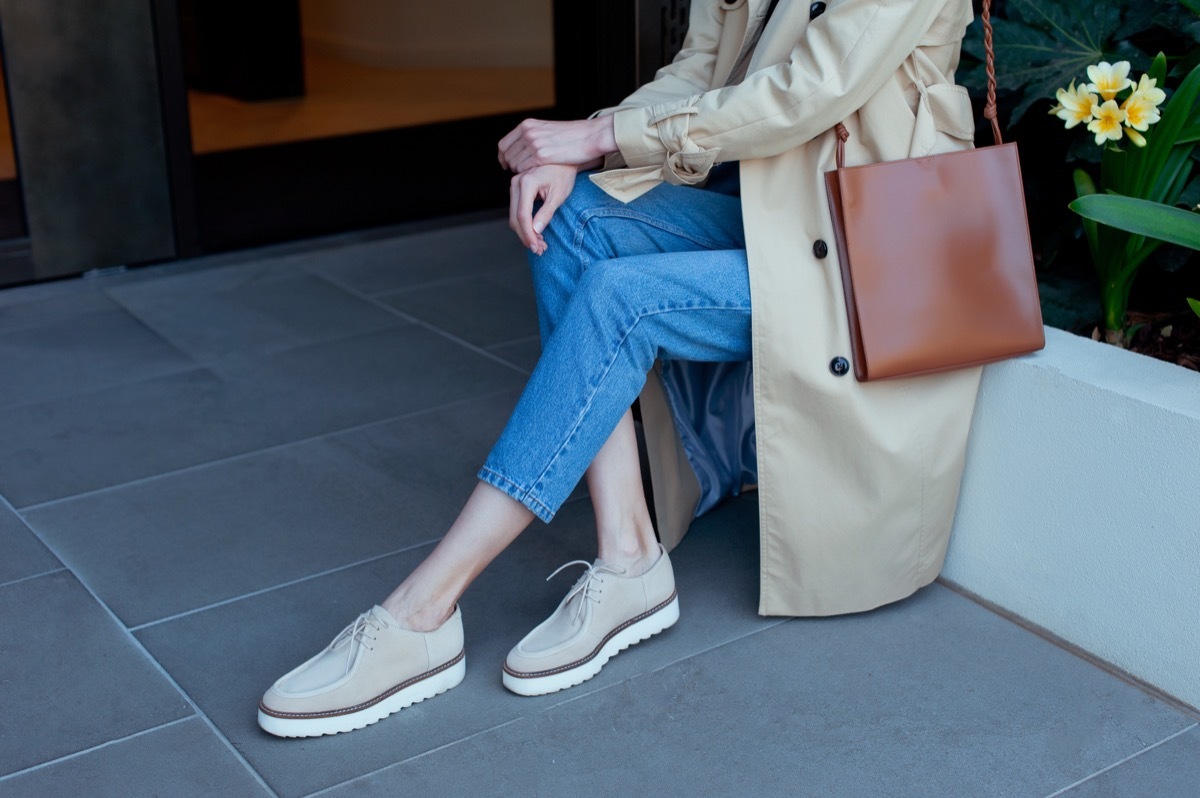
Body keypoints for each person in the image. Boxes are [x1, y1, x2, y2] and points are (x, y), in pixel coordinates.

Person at [257, 0, 983, 738]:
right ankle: (627, 556)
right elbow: (697, 69)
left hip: (867, 256)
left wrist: (599, 132)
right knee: (570, 221)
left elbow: (809, 91)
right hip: (772, 216)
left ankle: (424, 608)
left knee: (619, 298)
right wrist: (579, 154)